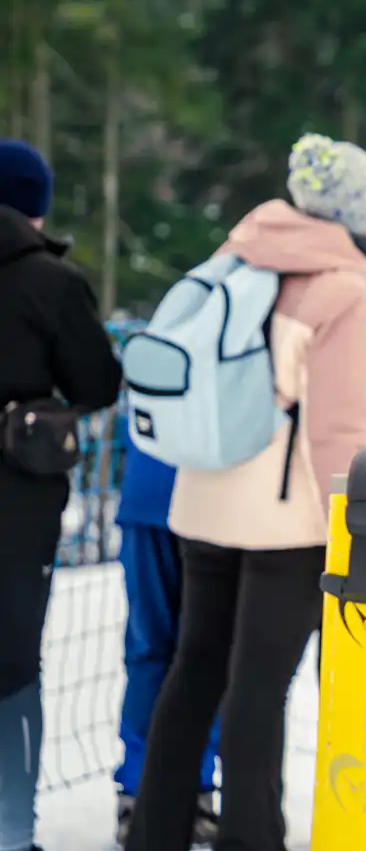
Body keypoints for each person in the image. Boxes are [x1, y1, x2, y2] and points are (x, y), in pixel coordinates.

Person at [126, 134, 366, 851]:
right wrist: (360, 529)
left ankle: (155, 833)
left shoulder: (234, 258)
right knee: (258, 689)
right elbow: (340, 430)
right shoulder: (342, 289)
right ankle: (252, 839)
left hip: (204, 503)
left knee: (194, 672)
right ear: (355, 216)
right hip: (287, 524)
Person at [0, 139, 123, 851]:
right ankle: (13, 832)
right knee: (13, 664)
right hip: (15, 507)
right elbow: (98, 385)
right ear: (37, 205)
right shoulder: (49, 282)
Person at [113, 419, 220, 846]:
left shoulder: (143, 347)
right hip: (213, 498)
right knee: (204, 653)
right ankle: (193, 789)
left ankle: (139, 793)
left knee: (150, 650)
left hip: (150, 487)